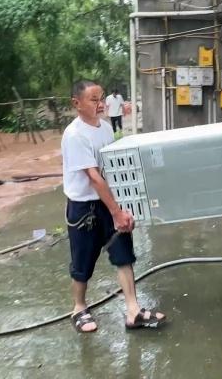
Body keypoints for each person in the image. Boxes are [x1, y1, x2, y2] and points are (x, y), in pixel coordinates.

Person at [62, 79, 165, 332]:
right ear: (77, 103)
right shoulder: (74, 135)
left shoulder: (106, 129)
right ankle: (79, 308)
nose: (100, 104)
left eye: (102, 98)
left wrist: (127, 206)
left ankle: (133, 311)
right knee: (83, 262)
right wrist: (117, 212)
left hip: (110, 202)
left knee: (123, 254)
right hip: (84, 208)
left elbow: (115, 168)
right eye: (94, 99)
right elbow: (95, 178)